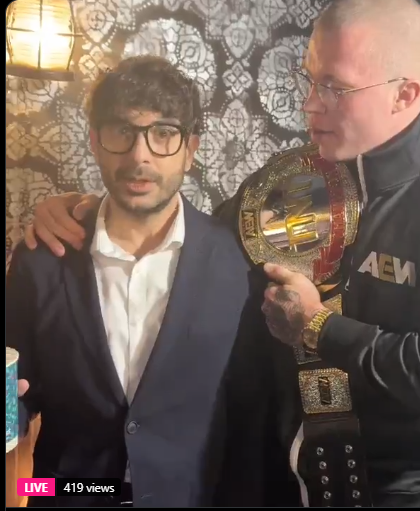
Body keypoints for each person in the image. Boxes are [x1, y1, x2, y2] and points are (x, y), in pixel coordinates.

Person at [21, 0, 420, 508]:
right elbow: (197, 238)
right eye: (309, 80)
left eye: (334, 88)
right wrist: (88, 210)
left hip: (395, 495)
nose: (308, 105)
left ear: (403, 94)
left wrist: (318, 326)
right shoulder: (293, 178)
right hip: (267, 485)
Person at [6, 55, 276, 507]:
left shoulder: (238, 263)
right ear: (95, 142)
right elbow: (17, 389)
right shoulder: (41, 259)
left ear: (190, 149)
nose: (140, 155)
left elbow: (252, 416)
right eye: (122, 131)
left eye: (163, 133)